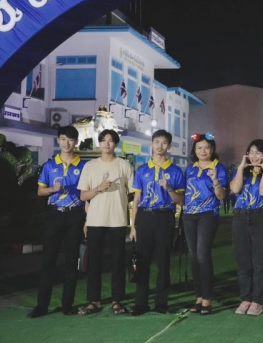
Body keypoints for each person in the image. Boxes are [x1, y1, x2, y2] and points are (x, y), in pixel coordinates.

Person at [28, 125, 86, 318]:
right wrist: (53, 189)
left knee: (71, 261)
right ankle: (42, 306)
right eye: (63, 139)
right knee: (48, 260)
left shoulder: (84, 166)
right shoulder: (50, 165)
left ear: (76, 142)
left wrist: (86, 220)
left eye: (70, 139)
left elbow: (87, 195)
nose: (66, 143)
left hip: (75, 216)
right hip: (54, 215)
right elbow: (40, 191)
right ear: (58, 140)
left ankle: (67, 305)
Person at [77, 129, 134, 316]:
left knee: (118, 262)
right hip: (96, 220)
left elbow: (133, 193)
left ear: (115, 143)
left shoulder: (124, 165)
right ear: (99, 143)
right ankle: (94, 301)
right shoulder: (90, 166)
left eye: (110, 140)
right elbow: (83, 196)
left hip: (118, 220)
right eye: (103, 140)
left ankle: (118, 301)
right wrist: (98, 188)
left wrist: (130, 217)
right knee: (94, 262)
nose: (107, 144)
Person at [129, 130, 184, 316]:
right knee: (142, 261)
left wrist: (169, 188)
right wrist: (133, 226)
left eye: (164, 142)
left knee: (163, 262)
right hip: (145, 217)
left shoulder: (175, 171)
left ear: (169, 146)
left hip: (165, 218)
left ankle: (161, 303)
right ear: (151, 144)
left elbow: (180, 200)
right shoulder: (142, 170)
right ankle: (140, 303)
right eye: (157, 142)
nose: (160, 146)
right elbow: (136, 199)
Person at [230, 139, 263, 316]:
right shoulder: (241, 173)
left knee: (260, 262)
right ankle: (245, 299)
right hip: (240, 217)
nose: (254, 156)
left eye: (258, 152)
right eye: (251, 152)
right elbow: (235, 190)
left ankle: (257, 301)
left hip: (261, 217)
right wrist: (241, 168)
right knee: (243, 262)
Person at [183, 132, 228, 315]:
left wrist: (215, 179)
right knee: (194, 256)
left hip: (208, 215)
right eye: (199, 148)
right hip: (189, 215)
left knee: (202, 255)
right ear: (194, 150)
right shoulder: (190, 169)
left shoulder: (219, 168)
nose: (203, 151)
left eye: (206, 148)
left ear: (212, 149)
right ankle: (199, 297)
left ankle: (208, 298)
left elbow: (221, 196)